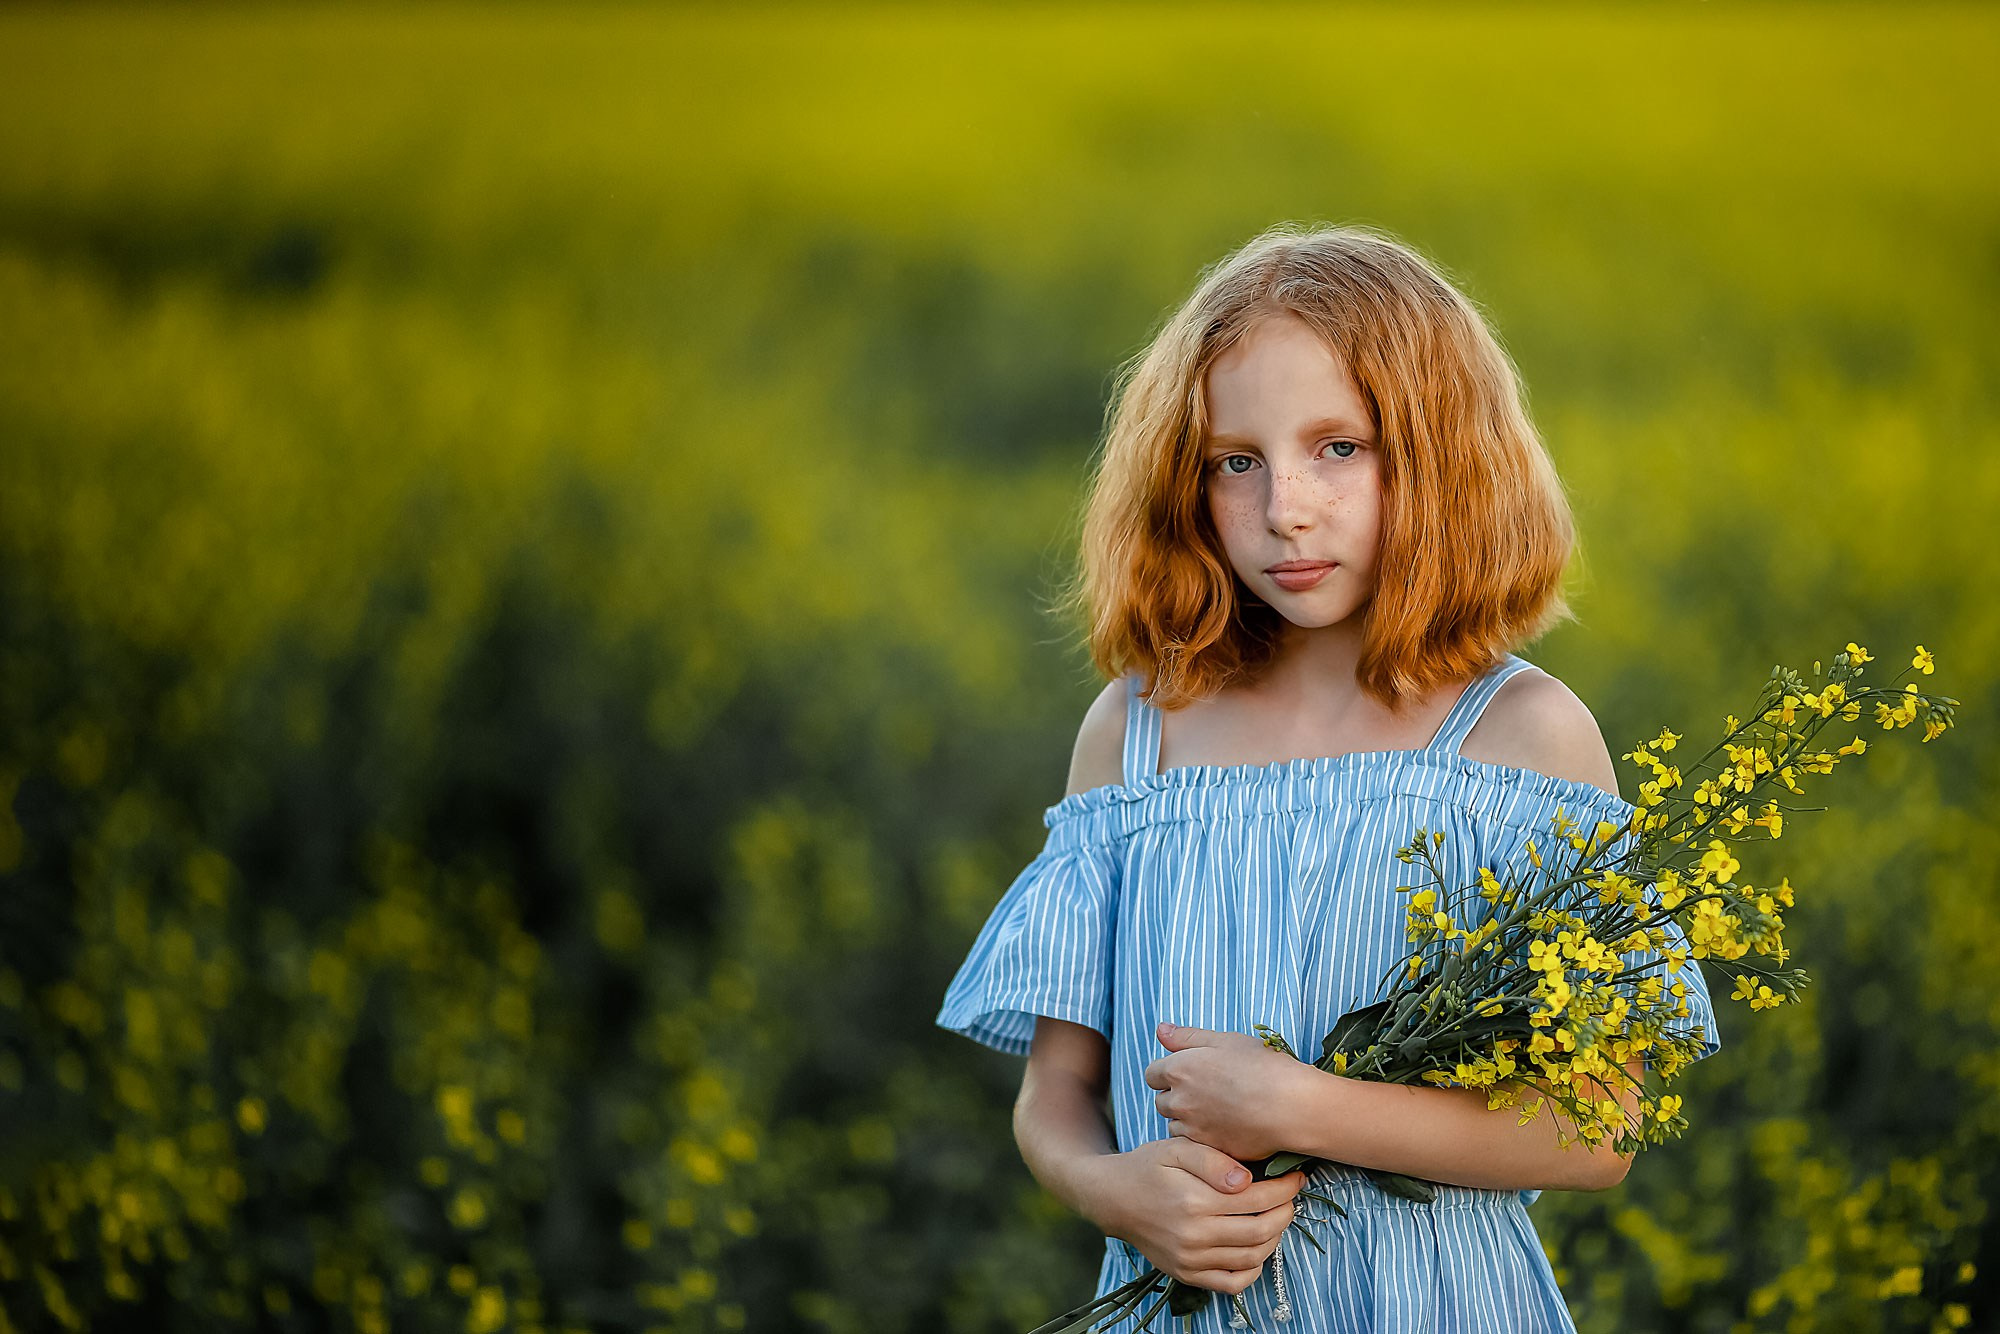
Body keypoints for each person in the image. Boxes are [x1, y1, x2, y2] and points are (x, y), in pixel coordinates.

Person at [935, 221, 1721, 1332]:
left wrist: (1299, 1103)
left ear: (1441, 456)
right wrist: (1112, 1190)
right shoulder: (1136, 736)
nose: (1284, 509)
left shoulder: (1521, 738)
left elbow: (1597, 1127)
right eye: (1233, 461)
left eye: (1338, 448)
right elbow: (1054, 1091)